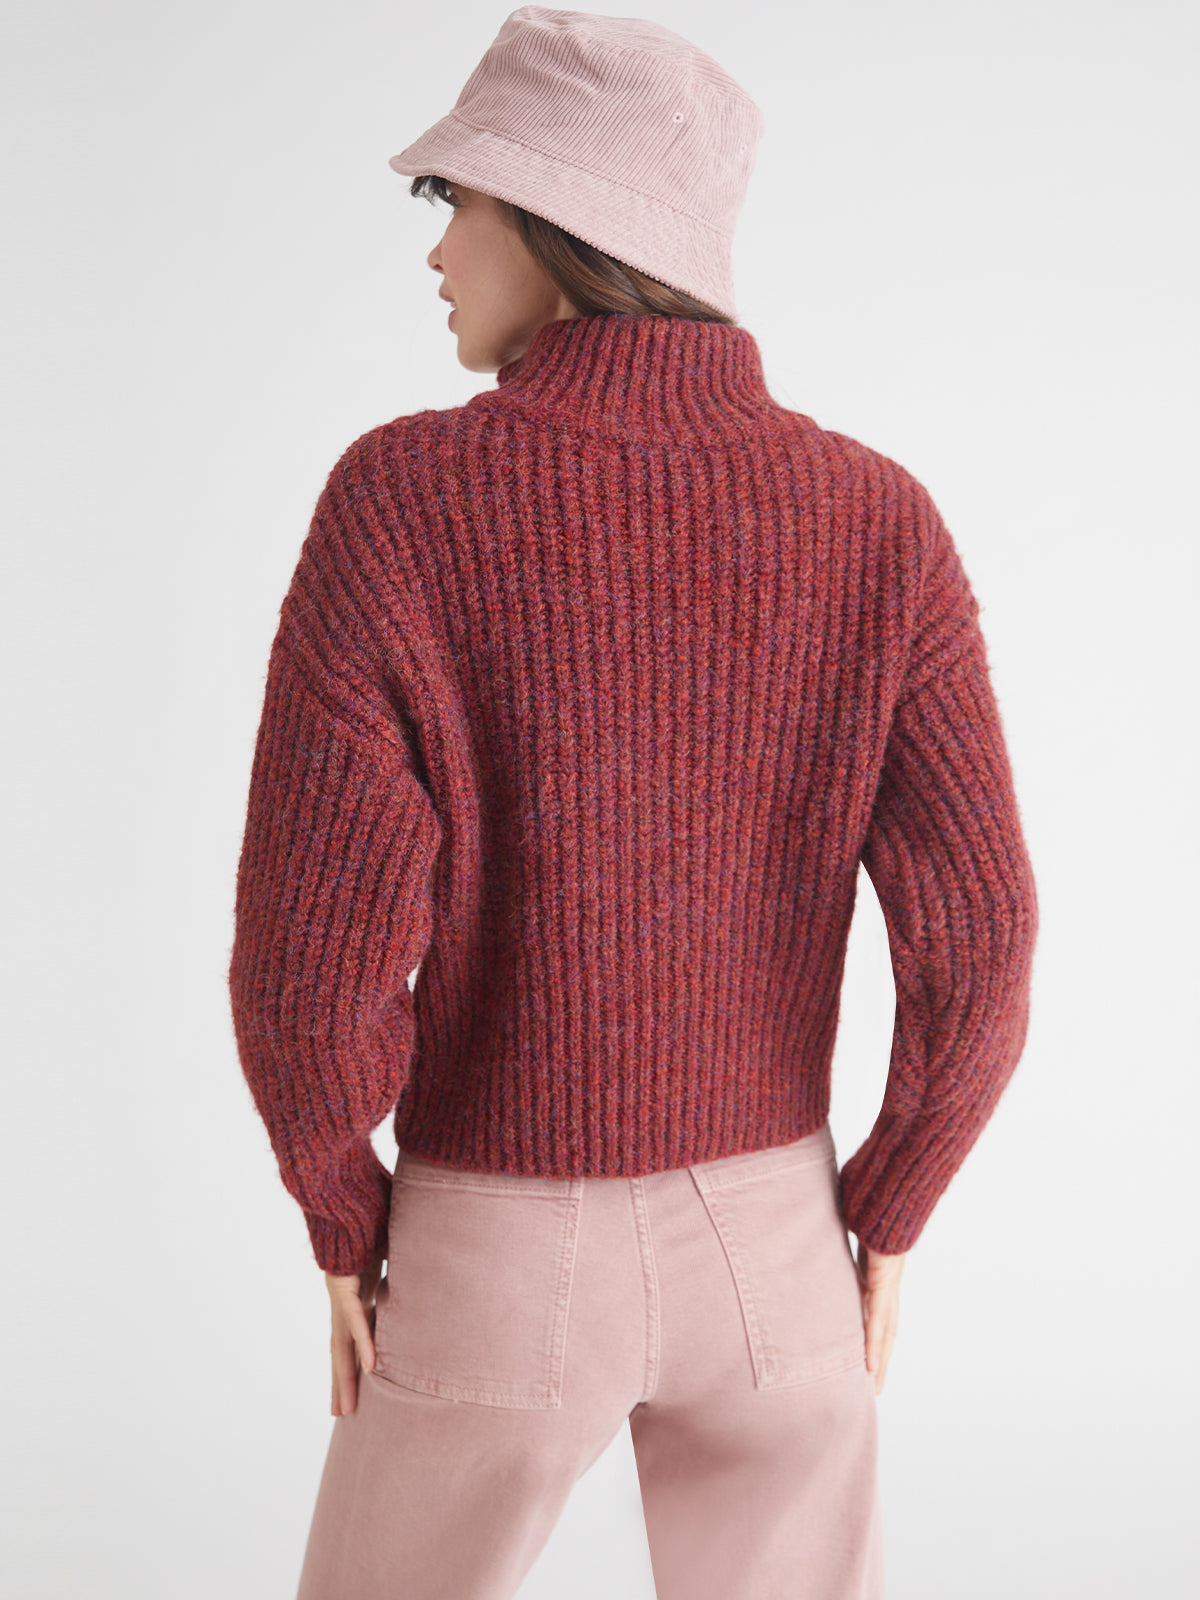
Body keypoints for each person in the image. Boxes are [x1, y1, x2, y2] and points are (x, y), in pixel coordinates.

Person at [226, 9, 1039, 1598]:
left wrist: (340, 1210)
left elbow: (307, 970)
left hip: (494, 1254)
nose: (438, 249)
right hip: (780, 1256)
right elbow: (986, 936)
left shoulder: (402, 501)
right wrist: (889, 1208)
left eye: (457, 200)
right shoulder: (879, 521)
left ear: (558, 222)